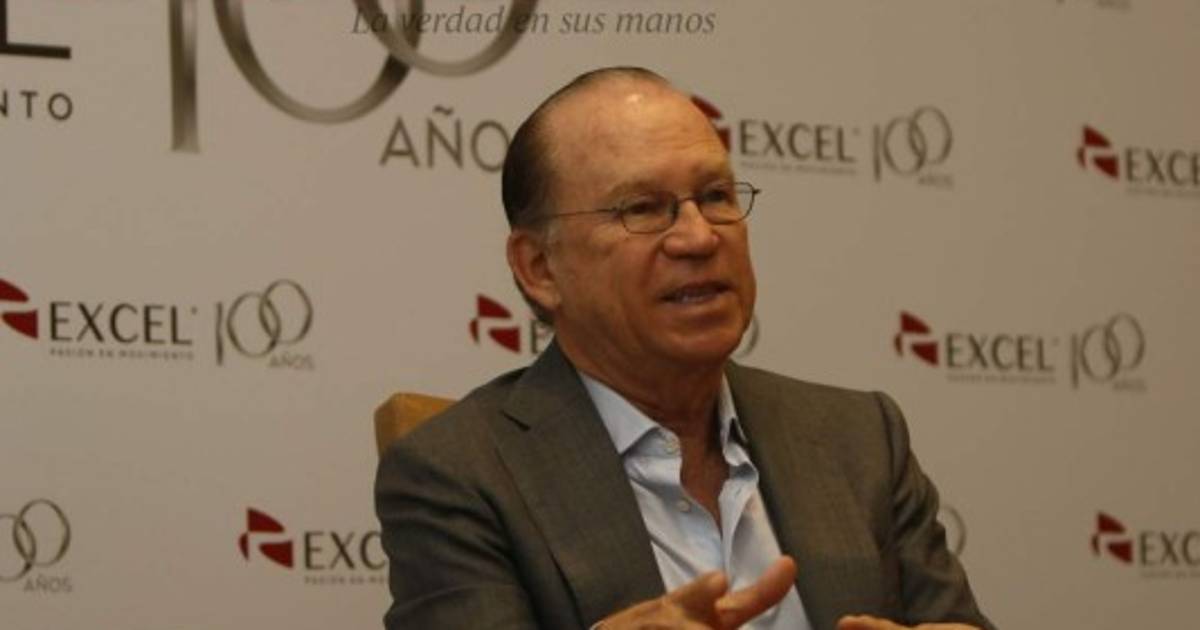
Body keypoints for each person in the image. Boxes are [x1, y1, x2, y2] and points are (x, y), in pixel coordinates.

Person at [375, 67, 995, 630]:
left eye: (717, 196)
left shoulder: (859, 438)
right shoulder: (459, 473)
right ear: (540, 267)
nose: (699, 237)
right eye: (644, 209)